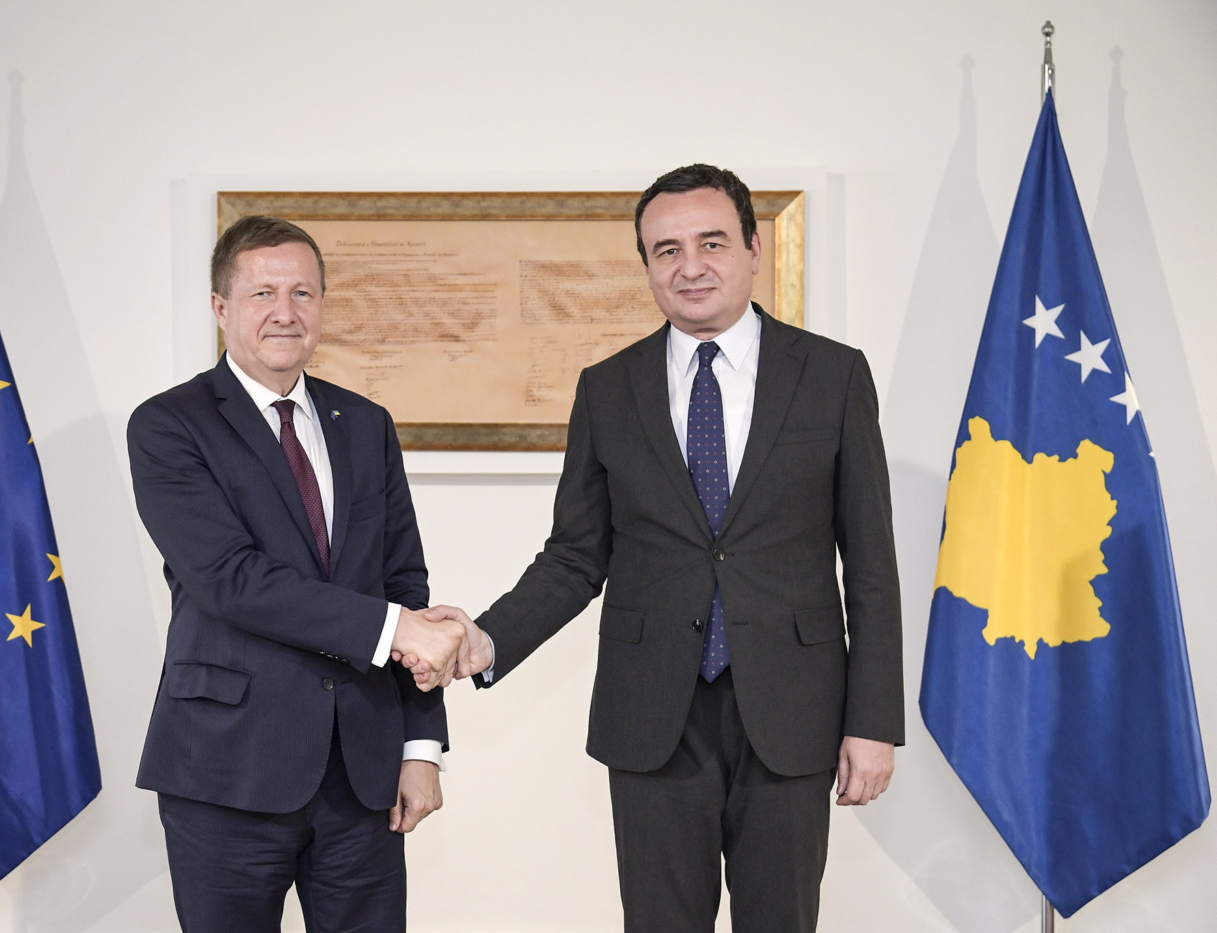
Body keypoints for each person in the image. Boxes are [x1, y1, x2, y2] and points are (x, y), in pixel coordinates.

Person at [421, 164, 904, 932]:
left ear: (753, 249)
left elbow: (872, 565)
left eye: (712, 242)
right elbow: (576, 556)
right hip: (652, 717)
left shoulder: (832, 376)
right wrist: (485, 637)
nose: (691, 266)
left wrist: (873, 720)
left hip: (794, 712)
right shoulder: (608, 388)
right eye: (667, 250)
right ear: (647, 265)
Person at [127, 215, 467, 933]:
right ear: (221, 308)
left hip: (363, 776)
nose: (285, 312)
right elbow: (230, 579)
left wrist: (420, 746)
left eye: (303, 293)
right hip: (226, 771)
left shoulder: (366, 423)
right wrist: (396, 629)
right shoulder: (169, 425)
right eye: (263, 294)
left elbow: (404, 585)